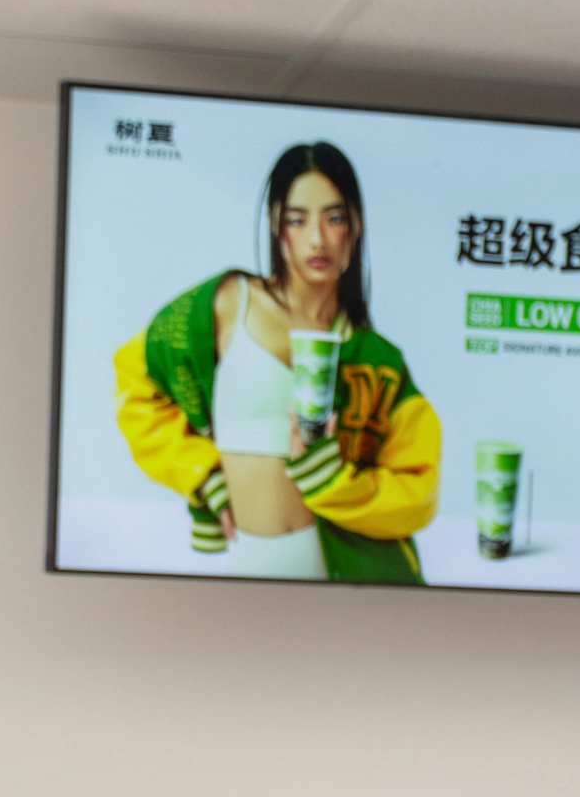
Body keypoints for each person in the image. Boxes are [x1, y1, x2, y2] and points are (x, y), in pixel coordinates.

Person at [114, 141, 441, 584]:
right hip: (251, 566)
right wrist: (201, 473)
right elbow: (136, 383)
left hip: (351, 579)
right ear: (274, 223)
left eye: (334, 218)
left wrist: (335, 482)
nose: (317, 239)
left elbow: (419, 489)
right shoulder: (227, 304)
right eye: (297, 219)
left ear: (356, 224)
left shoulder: (378, 359)